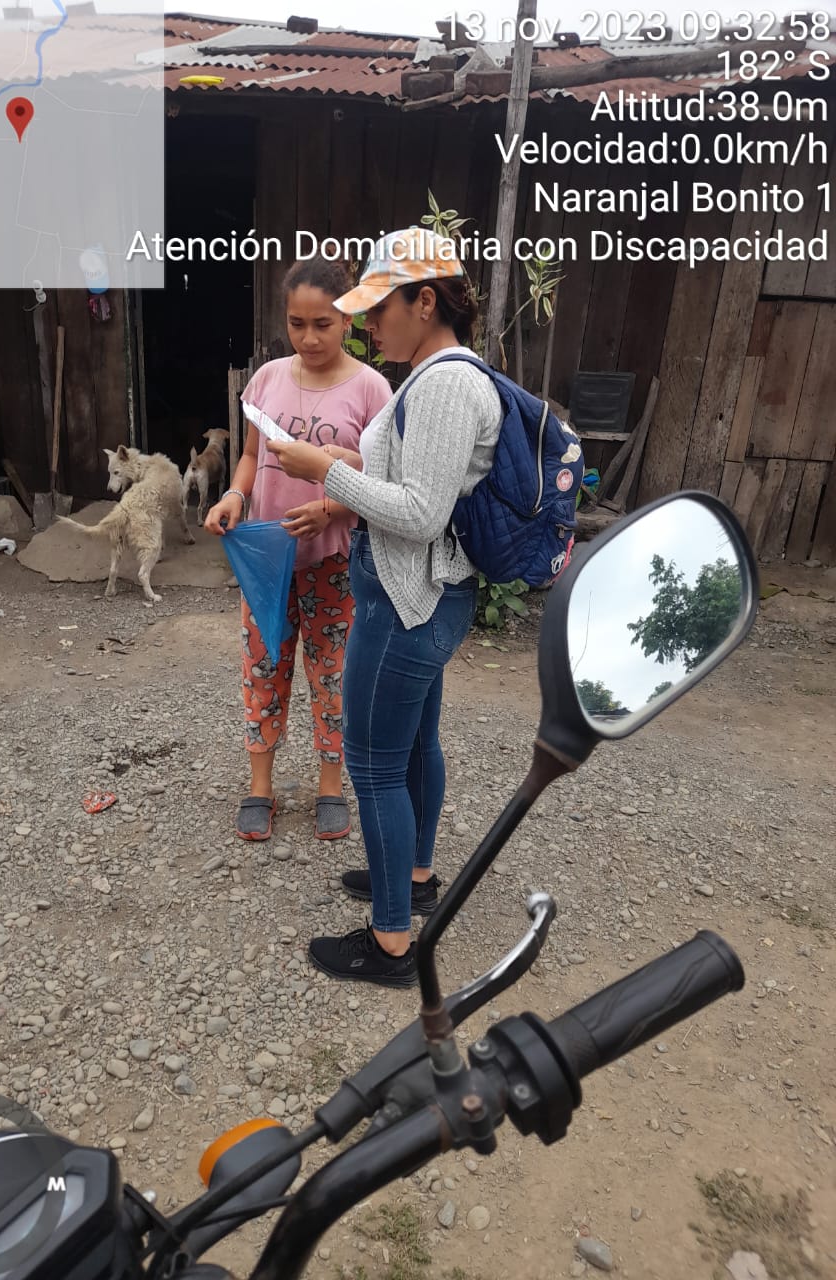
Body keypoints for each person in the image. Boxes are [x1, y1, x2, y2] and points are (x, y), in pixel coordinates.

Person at [266, 228, 504, 988]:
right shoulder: (435, 375)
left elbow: (420, 512)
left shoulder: (442, 386)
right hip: (428, 595)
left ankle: (392, 942)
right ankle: (415, 877)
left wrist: (323, 472)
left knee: (371, 765)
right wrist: (342, 464)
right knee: (415, 746)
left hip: (407, 601)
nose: (367, 325)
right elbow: (407, 476)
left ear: (425, 301)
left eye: (378, 309)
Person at [205, 258, 392, 843]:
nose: (308, 338)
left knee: (334, 674)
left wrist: (331, 509)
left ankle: (330, 787)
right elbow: (250, 456)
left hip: (334, 562)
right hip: (267, 559)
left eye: (323, 324)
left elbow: (382, 479)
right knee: (263, 666)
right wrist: (235, 496)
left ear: (348, 321)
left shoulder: (371, 389)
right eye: (296, 324)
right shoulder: (266, 380)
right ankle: (260, 787)